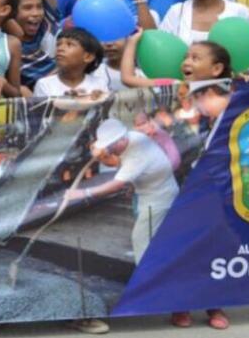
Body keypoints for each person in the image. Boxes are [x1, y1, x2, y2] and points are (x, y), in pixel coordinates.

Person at [68, 119, 180, 322]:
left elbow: (115, 184)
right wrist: (106, 157)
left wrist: (83, 192)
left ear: (120, 140)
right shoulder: (133, 139)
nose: (109, 151)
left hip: (159, 198)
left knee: (141, 240)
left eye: (111, 147)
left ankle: (152, 289)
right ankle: (156, 284)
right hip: (149, 193)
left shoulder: (136, 153)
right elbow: (120, 164)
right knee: (155, 241)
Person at [32, 28, 107, 98]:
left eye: (69, 44)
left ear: (88, 57)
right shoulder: (44, 85)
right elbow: (42, 111)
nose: (60, 48)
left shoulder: (99, 84)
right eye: (58, 44)